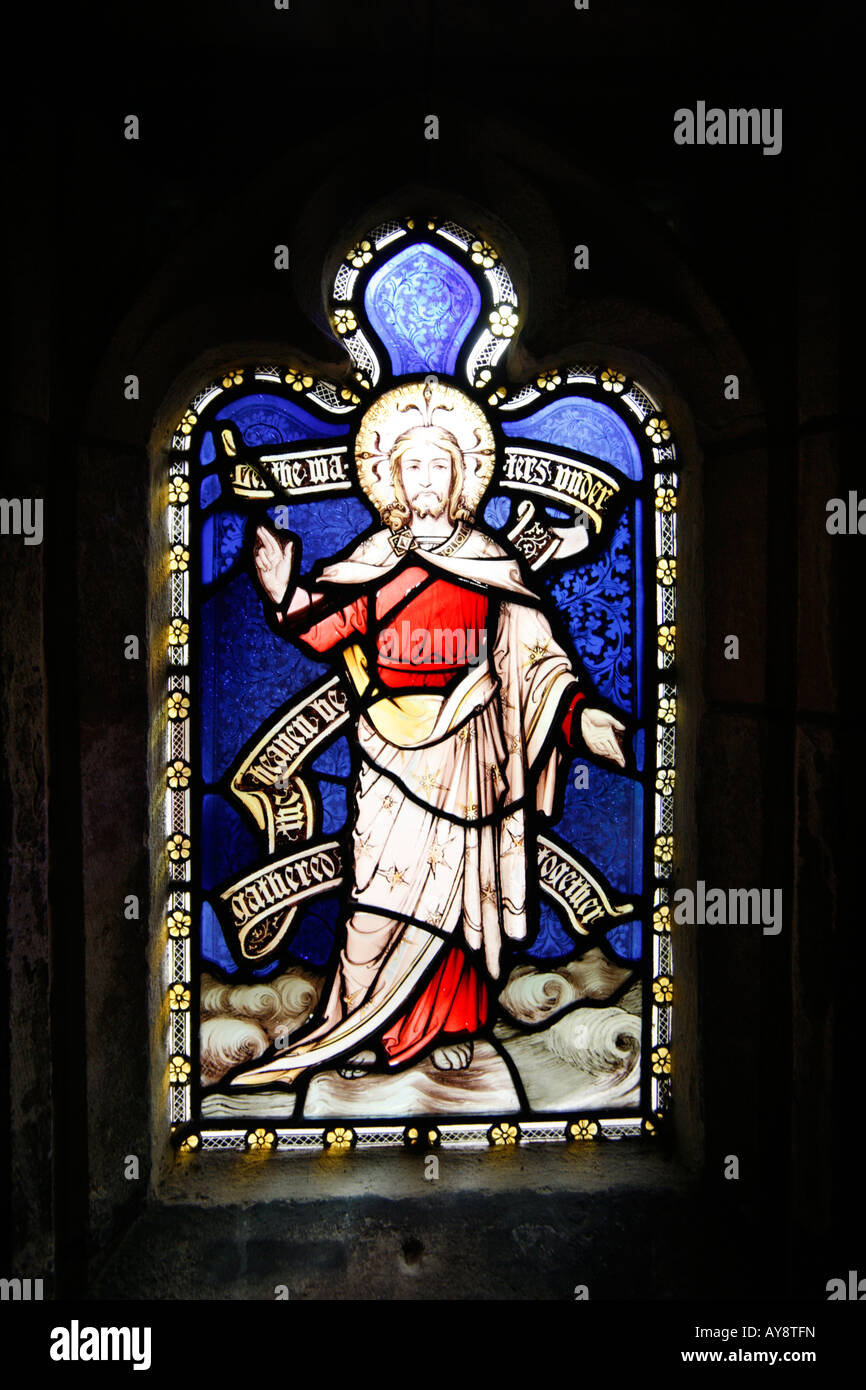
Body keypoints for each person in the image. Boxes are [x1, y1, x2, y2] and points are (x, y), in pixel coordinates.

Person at [232, 388, 626, 1088]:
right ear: (389, 481)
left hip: (472, 739)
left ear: (459, 479)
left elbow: (535, 662)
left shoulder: (490, 562)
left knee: (457, 889)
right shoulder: (375, 557)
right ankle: (362, 1020)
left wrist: (577, 719)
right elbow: (328, 628)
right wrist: (285, 595)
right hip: (389, 746)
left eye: (439, 468)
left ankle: (450, 1024)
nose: (425, 482)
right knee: (380, 892)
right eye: (411, 469)